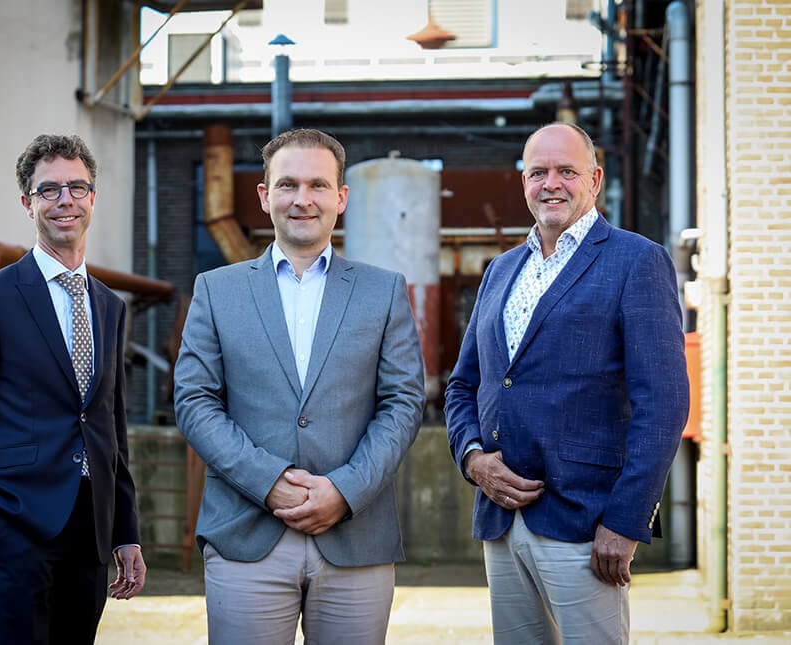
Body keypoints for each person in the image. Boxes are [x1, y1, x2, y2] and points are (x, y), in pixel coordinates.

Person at [173, 128, 426, 644]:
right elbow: (195, 402)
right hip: (246, 534)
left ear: (341, 197)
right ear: (264, 196)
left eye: (318, 185)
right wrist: (268, 481)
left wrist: (345, 489)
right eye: (287, 184)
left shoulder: (383, 291)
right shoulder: (216, 290)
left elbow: (402, 403)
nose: (302, 199)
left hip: (355, 535)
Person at [444, 122, 689, 644]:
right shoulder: (501, 269)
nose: (551, 184)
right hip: (501, 521)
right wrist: (472, 458)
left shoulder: (637, 260)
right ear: (523, 182)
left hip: (587, 523)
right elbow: (464, 385)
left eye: (566, 171)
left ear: (594, 180)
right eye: (538, 173)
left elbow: (663, 404)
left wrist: (625, 521)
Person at [0, 133, 146, 644]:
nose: (65, 200)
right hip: (15, 528)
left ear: (93, 197)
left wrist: (126, 532)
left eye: (76, 187)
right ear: (28, 203)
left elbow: (110, 425)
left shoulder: (110, 306)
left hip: (91, 533)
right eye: (49, 190)